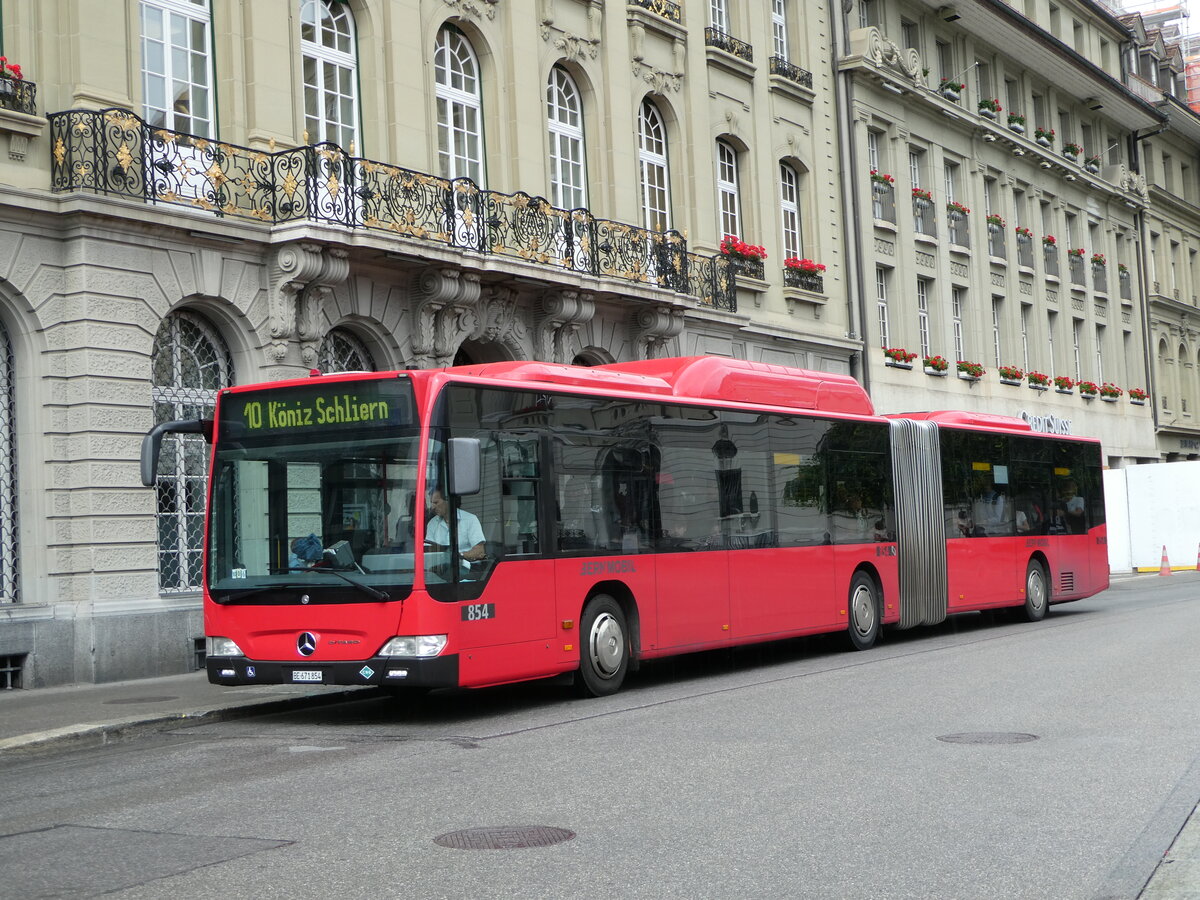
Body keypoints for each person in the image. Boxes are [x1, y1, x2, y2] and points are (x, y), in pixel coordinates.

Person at [425, 488, 486, 566]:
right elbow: (429, 551)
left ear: (448, 500)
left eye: (436, 502)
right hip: (438, 569)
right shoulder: (432, 523)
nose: (432, 507)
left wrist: (459, 556)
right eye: (431, 503)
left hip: (466, 570)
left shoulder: (470, 519)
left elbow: (479, 551)